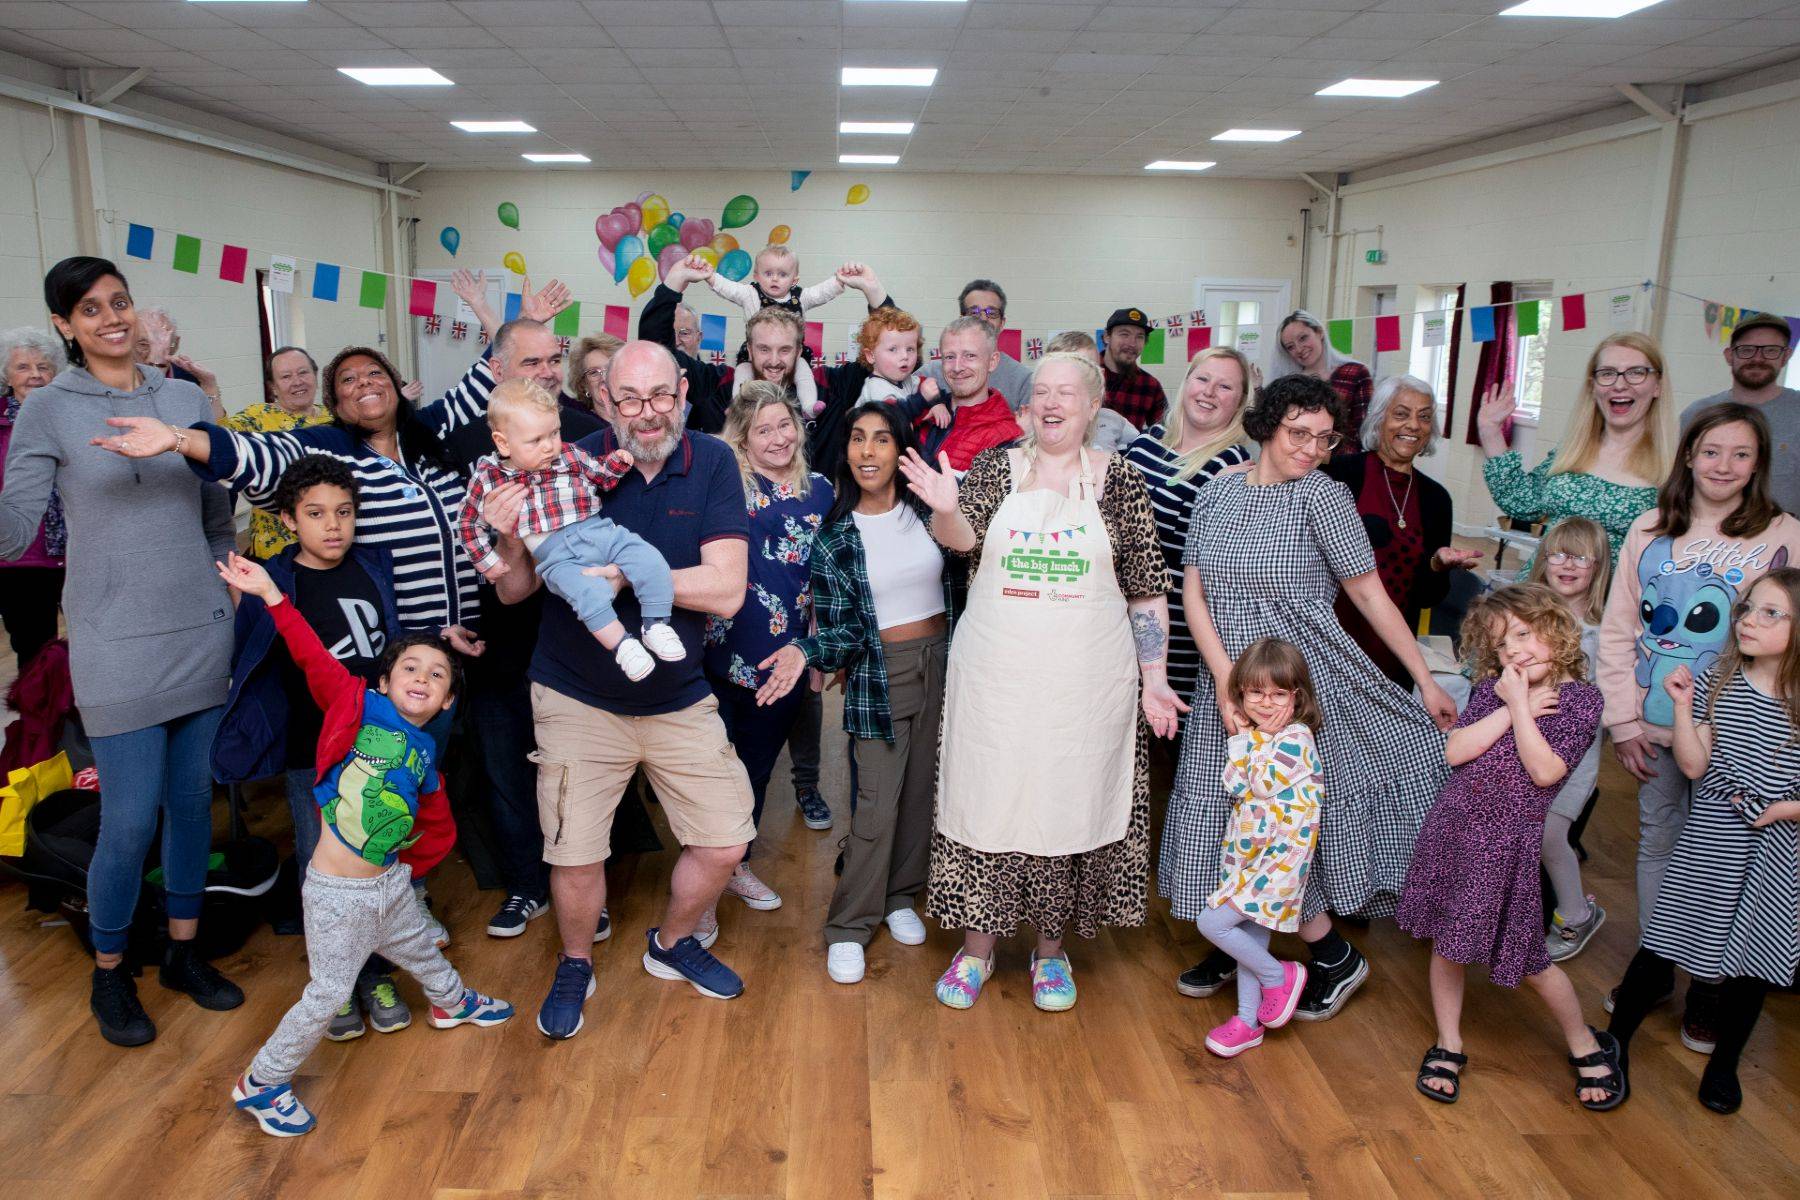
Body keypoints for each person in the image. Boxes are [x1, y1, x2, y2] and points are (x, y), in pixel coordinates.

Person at [0, 257, 242, 1045]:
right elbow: (15, 528)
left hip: (199, 629)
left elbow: (215, 504)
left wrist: (222, 584)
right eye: (90, 309)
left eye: (120, 303)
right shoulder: (48, 411)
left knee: (188, 811)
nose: (111, 318)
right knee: (129, 819)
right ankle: (109, 973)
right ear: (66, 326)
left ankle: (182, 952)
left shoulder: (182, 399)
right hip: (112, 640)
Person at [483, 339, 756, 1036]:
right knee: (575, 854)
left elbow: (726, 590)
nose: (647, 412)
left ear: (684, 392)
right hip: (575, 695)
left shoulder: (714, 460)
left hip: (677, 693)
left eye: (661, 395)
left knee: (725, 840)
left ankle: (673, 942)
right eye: (629, 398)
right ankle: (575, 959)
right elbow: (516, 590)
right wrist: (507, 538)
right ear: (604, 397)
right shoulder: (560, 453)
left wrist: (630, 577)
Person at [899, 352, 1186, 1012]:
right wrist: (945, 508)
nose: (1053, 403)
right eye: (1042, 393)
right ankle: (976, 950)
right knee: (988, 799)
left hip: (1085, 686)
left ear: (1093, 408)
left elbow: (1145, 592)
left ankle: (1050, 954)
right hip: (996, 678)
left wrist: (1153, 679)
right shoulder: (999, 466)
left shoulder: (1120, 482)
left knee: (1068, 803)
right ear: (1027, 408)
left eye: (1069, 393)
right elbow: (962, 540)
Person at [1165, 374, 1457, 1019]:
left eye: (1324, 439)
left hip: (1298, 685)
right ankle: (1238, 939)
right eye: (1299, 433)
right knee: (1225, 814)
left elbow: (1369, 593)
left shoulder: (1323, 498)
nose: (1309, 448)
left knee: (1283, 825)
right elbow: (1194, 593)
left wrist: (1427, 677)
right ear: (1267, 424)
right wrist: (1221, 680)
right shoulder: (1216, 491)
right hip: (1228, 684)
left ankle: (1333, 959)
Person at [216, 552, 513, 1138]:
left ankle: (451, 1002)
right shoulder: (356, 705)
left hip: (389, 884)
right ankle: (262, 1082)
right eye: (411, 668)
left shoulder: (426, 754)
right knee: (326, 995)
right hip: (336, 894)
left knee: (424, 949)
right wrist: (274, 596)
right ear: (384, 682)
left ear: (448, 701)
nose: (422, 677)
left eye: (437, 674)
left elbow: (433, 821)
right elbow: (311, 656)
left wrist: (412, 871)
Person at [95, 298, 572, 642]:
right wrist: (177, 438)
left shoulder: (428, 433)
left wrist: (523, 327)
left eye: (375, 373)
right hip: (396, 651)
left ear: (394, 385)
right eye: (348, 379)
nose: (364, 382)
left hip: (474, 636)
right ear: (335, 401)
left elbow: (493, 373)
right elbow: (251, 454)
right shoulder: (327, 450)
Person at [1596, 402, 1800, 1051]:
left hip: (1748, 741)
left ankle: (1709, 984)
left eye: (1741, 454)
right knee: (1660, 843)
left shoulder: (1783, 534)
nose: (1724, 465)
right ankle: (1657, 970)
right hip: (1657, 726)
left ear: (1758, 464)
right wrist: (1623, 720)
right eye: (1712, 451)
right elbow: (1619, 627)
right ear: (1689, 455)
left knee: (1732, 862)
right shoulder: (1650, 529)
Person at [1396, 585, 1623, 1111]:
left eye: (1523, 634)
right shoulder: (1492, 688)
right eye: (1501, 645)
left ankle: (1585, 1042)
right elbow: (1456, 751)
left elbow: (1544, 771)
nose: (1514, 652)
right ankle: (1449, 1042)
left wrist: (1520, 707)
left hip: (1506, 846)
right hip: (1455, 830)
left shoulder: (1582, 701)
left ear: (1554, 628)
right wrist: (1510, 702)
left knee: (1530, 958)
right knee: (1448, 944)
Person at [211, 454, 413, 1034]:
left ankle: (374, 968)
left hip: (375, 746)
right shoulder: (276, 581)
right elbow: (251, 664)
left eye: (344, 512)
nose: (333, 526)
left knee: (375, 856)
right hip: (311, 751)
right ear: (289, 519)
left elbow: (390, 646)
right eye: (317, 513)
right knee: (322, 866)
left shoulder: (374, 565)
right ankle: (337, 980)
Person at [758, 401, 951, 984]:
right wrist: (805, 651)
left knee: (922, 791)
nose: (868, 451)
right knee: (875, 801)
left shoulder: (930, 509)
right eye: (857, 439)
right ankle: (849, 924)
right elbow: (841, 628)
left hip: (944, 661)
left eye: (882, 440)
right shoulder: (836, 536)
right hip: (880, 668)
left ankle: (899, 897)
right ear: (844, 451)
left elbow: (967, 570)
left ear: (901, 450)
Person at [1610, 569, 1800, 1115]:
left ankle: (1724, 1064)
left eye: (1771, 613)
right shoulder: (1721, 676)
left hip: (1774, 848)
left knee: (1753, 961)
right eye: (1747, 609)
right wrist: (1685, 706)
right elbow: (1694, 766)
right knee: (1664, 940)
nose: (1748, 621)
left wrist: (1779, 810)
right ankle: (1616, 1040)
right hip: (1712, 836)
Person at [705, 382, 834, 909]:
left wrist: (818, 650)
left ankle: (737, 865)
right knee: (714, 764)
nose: (779, 438)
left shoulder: (823, 489)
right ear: (743, 435)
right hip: (717, 646)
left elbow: (831, 574)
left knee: (756, 765)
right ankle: (705, 872)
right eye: (764, 429)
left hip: (783, 657)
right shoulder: (724, 482)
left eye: (786, 425)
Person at [458, 378, 681, 681]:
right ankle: (623, 646)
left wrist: (617, 463)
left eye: (554, 432)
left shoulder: (568, 455)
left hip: (599, 531)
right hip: (557, 556)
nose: (549, 445)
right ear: (503, 443)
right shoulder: (488, 478)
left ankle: (655, 623)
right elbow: (468, 524)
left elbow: (600, 475)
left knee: (648, 557)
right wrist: (488, 561)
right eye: (536, 440)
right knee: (588, 595)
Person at [1196, 640, 1323, 1059]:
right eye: (1256, 693)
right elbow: (1234, 783)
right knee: (1249, 934)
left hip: (1279, 862)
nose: (1266, 704)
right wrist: (1250, 740)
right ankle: (1248, 1022)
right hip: (1249, 857)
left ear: (1296, 696)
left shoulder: (1295, 737)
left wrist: (1254, 740)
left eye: (1278, 694)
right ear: (1241, 695)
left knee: (1213, 924)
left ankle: (1279, 975)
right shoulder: (1254, 737)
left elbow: (1263, 783)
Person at [1324, 376, 1483, 688]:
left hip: (1392, 651)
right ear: (1379, 418)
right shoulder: (1339, 475)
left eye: (1424, 417)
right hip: (1331, 642)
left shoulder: (1437, 499)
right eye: (1401, 414)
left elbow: (1428, 596)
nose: (1413, 425)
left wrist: (1437, 564)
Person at [1125, 347, 1255, 710]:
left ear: (1241, 402)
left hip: (1172, 634)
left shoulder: (1231, 468)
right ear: (1186, 384)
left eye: (1225, 387)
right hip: (1115, 619)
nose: (1209, 392)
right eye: (1202, 379)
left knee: (1158, 744)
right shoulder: (1146, 442)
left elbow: (1196, 567)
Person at [1478, 331, 1669, 561]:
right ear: (1593, 386)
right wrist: (1490, 431)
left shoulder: (1671, 466)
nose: (1619, 384)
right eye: (1607, 373)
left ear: (1657, 385)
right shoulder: (1572, 450)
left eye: (1636, 373)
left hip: (1613, 595)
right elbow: (1523, 503)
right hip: (1544, 591)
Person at [1523, 518, 1614, 963]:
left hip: (1574, 758)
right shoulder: (1527, 617)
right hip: (1522, 745)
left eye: (1579, 556)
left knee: (1548, 833)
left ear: (1598, 566)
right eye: (1558, 553)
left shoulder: (1602, 632)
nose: (1567, 564)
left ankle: (1577, 913)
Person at [706, 244, 858, 419]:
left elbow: (821, 293)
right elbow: (728, 288)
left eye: (783, 274)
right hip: (754, 356)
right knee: (742, 374)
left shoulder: (800, 297)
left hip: (793, 357)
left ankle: (808, 406)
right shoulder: (749, 293)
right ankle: (737, 406)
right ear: (756, 275)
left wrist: (839, 281)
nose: (775, 279)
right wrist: (710, 277)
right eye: (768, 273)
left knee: (804, 374)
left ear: (794, 280)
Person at [1681, 312, 1800, 514]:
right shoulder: (1697, 414)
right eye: (1746, 350)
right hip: (1705, 536)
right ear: (1729, 355)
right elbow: (1677, 479)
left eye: (1770, 350)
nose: (1758, 358)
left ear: (1785, 356)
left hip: (1784, 539)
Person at [221, 346, 331, 558]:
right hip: (276, 548)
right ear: (273, 387)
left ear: (315, 376)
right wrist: (211, 390)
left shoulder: (334, 417)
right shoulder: (259, 416)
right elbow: (224, 435)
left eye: (303, 372)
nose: (297, 381)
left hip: (330, 538)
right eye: (286, 376)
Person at [0, 326, 68, 668]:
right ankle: (42, 720)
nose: (35, 376)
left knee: (94, 645)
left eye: (44, 367)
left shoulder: (72, 416)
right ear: (6, 376)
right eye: (23, 368)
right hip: (21, 561)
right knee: (34, 654)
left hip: (82, 551)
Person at [907, 317, 1022, 474]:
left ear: (992, 361)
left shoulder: (1006, 438)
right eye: (950, 357)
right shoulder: (921, 412)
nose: (957, 367)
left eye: (970, 356)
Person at [921, 279, 1035, 411]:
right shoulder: (930, 374)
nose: (983, 319)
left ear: (1002, 323)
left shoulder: (1023, 380)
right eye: (974, 313)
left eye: (992, 313)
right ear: (961, 319)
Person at [1271, 310, 1373, 450]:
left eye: (1303, 338)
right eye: (1291, 347)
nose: (1299, 349)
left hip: (1346, 463)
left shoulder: (1355, 373)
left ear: (1319, 332)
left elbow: (1365, 429)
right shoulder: (1291, 384)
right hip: (1300, 463)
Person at [1100, 307, 1167, 433]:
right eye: (1124, 334)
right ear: (1106, 337)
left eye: (1139, 337)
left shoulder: (1151, 386)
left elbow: (1164, 433)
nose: (1132, 343)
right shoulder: (1083, 374)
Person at [568, 332, 625, 416]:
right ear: (584, 385)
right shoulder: (575, 424)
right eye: (594, 372)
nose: (604, 378)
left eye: (610, 368)